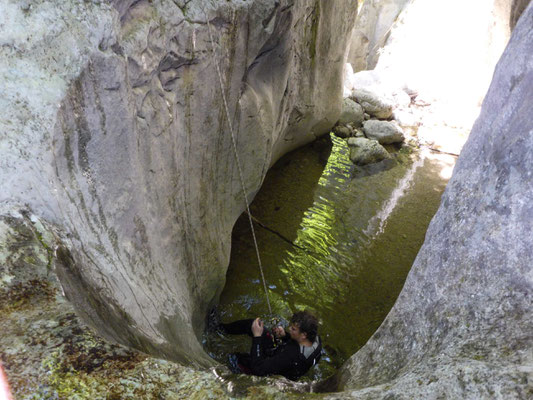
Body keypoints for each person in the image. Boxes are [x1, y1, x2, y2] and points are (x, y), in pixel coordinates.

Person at [220, 310, 322, 380]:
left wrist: (257, 337)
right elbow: (296, 345)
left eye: (293, 329)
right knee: (253, 325)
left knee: (234, 358)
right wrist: (285, 335)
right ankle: (221, 328)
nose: (289, 328)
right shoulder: (315, 339)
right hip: (280, 357)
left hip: (271, 371)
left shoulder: (291, 355)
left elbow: (258, 369)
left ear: (304, 335)